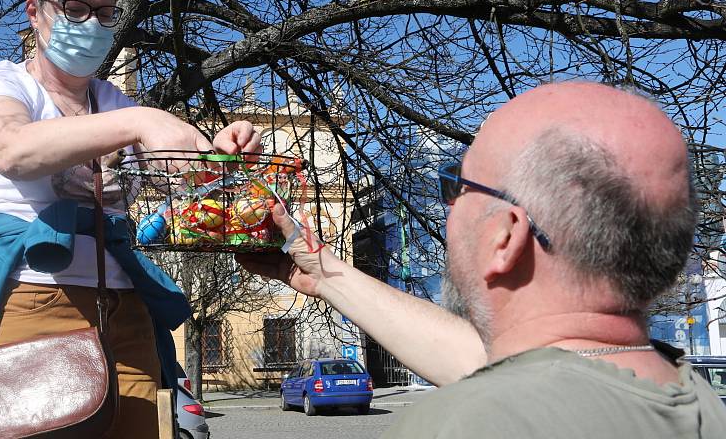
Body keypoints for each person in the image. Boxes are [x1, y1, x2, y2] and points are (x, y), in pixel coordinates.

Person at [238, 81, 726, 437]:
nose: (451, 204)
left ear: (504, 236)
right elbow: (489, 362)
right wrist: (327, 274)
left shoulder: (460, 425)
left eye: (459, 184)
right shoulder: (690, 396)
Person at [0, 0, 260, 438]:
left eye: (106, 13)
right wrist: (142, 119)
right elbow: (13, 151)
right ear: (35, 12)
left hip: (125, 306)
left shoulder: (111, 100)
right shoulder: (7, 82)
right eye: (75, 9)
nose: (93, 24)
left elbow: (182, 177)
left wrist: (222, 153)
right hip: (35, 299)